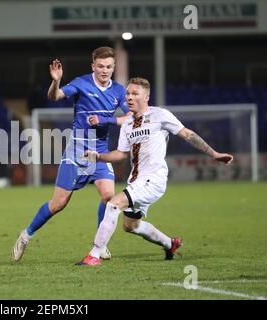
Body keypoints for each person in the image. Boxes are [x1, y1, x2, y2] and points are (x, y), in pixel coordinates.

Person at [77, 77, 234, 265]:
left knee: (113, 204)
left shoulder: (160, 115)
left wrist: (214, 153)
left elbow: (187, 134)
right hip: (136, 181)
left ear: (147, 97)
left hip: (154, 179)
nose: (129, 97)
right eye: (127, 93)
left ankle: (94, 255)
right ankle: (170, 244)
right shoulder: (127, 124)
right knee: (131, 226)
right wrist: (98, 156)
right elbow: (120, 154)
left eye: (135, 93)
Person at [12, 46, 132, 262]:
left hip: (101, 153)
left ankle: (100, 245)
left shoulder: (118, 91)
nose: (105, 71)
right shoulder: (81, 82)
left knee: (108, 198)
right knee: (58, 203)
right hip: (76, 152)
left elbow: (131, 116)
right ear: (93, 66)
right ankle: (25, 235)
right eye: (100, 66)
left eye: (109, 67)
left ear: (114, 67)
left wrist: (109, 120)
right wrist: (56, 81)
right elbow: (55, 96)